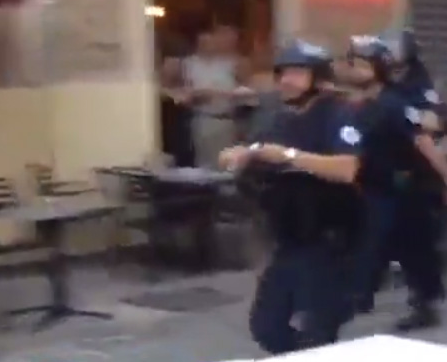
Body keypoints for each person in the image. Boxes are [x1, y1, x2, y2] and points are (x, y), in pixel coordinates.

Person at [220, 40, 363, 354]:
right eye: (283, 72)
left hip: (330, 241)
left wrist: (289, 156)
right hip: (289, 240)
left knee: (318, 330)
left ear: (319, 78)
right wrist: (241, 154)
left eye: (298, 73)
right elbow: (259, 148)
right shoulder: (279, 118)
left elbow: (346, 169)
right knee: (266, 327)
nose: (286, 80)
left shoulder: (339, 115)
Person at [344, 35, 447, 331]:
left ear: (378, 68)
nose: (352, 68)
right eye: (352, 62)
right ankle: (359, 296)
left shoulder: (393, 104)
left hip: (402, 189)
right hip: (372, 186)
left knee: (411, 247)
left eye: (361, 63)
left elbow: (424, 140)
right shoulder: (360, 104)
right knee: (373, 243)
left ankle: (424, 303)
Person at [184, 31, 254, 168]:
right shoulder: (189, 64)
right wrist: (192, 95)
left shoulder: (232, 63)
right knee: (203, 162)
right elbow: (181, 90)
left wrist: (217, 93)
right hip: (201, 118)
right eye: (203, 42)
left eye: (210, 41)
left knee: (226, 161)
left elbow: (248, 91)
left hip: (226, 119)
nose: (207, 45)